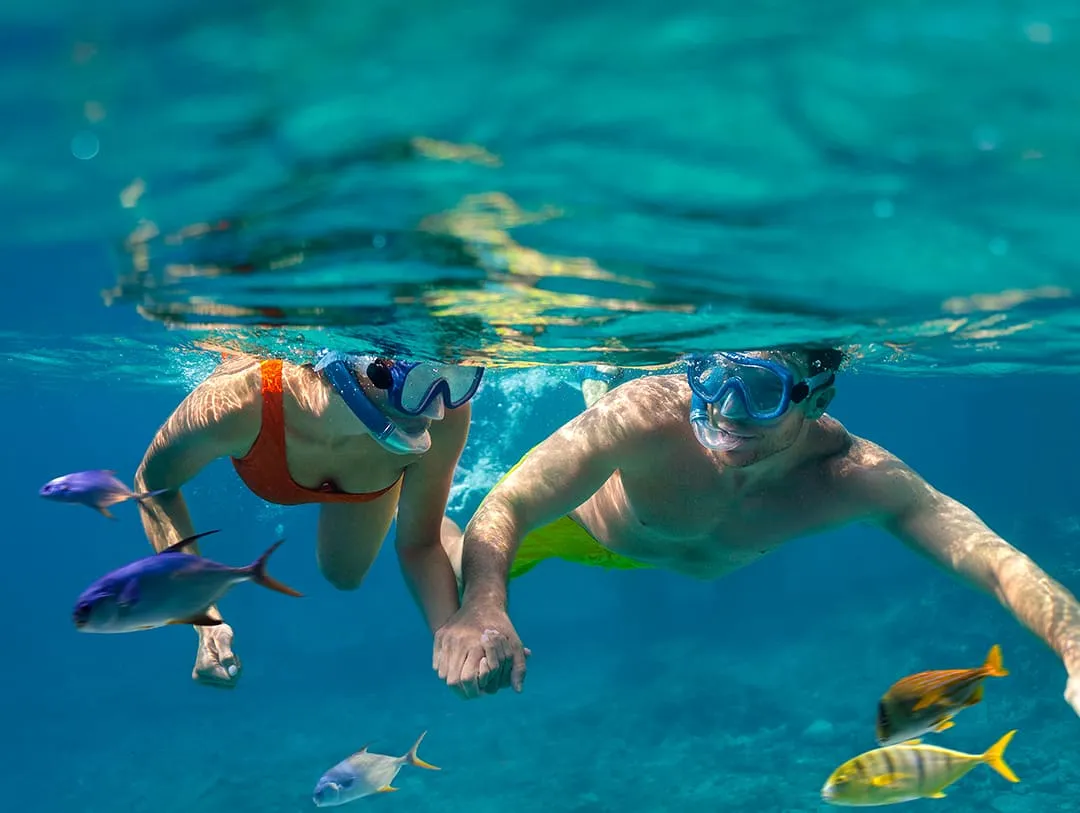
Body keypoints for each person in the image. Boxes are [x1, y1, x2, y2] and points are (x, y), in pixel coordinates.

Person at [432, 348, 1080, 722]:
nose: (725, 409)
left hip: (660, 543)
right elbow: (510, 504)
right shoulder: (644, 417)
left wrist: (1074, 646)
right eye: (711, 377)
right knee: (462, 572)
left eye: (763, 390)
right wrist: (484, 604)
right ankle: (440, 511)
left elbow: (994, 560)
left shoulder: (852, 474)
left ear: (816, 397)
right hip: (580, 526)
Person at [134, 349, 482, 688]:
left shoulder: (446, 406)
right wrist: (203, 619)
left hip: (371, 476)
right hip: (302, 438)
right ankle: (405, 501)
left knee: (344, 574)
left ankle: (443, 525)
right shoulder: (240, 401)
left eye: (457, 379)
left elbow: (420, 545)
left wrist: (455, 635)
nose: (436, 411)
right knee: (342, 572)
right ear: (366, 366)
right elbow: (152, 483)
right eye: (418, 382)